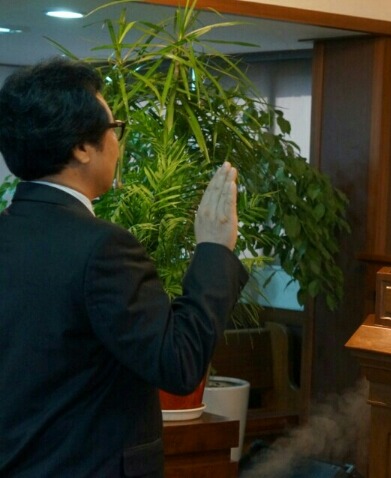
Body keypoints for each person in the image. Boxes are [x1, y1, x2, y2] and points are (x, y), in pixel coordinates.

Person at [0, 58, 247, 476]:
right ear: (82, 147)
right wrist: (213, 249)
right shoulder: (102, 248)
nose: (118, 142)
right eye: (114, 128)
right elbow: (178, 363)